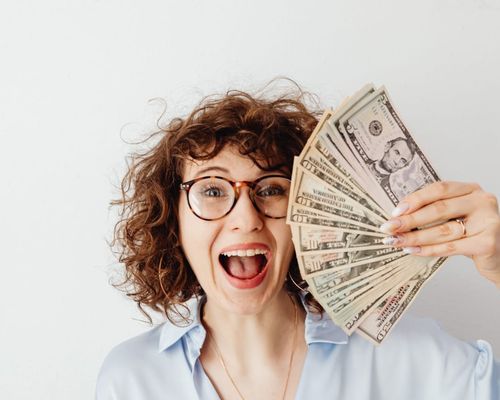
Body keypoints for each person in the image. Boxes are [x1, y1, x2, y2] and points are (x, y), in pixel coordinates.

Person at [96, 85, 500, 400]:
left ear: (308, 214)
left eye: (271, 189)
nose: (245, 219)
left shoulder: (410, 356)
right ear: (174, 220)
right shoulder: (132, 379)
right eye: (213, 190)